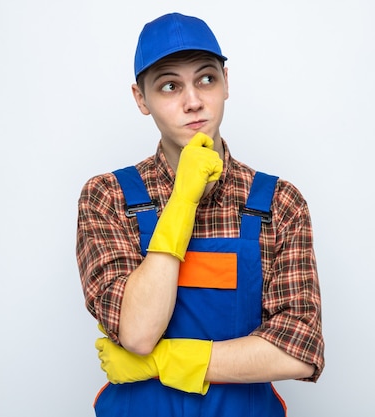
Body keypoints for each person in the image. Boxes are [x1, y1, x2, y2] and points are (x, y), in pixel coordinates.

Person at [76, 12, 325, 417]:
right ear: (141, 99)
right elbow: (138, 333)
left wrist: (166, 361)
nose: (193, 101)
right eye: (169, 86)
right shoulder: (107, 197)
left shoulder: (279, 203)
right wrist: (183, 200)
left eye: (206, 78)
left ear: (227, 82)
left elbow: (297, 351)